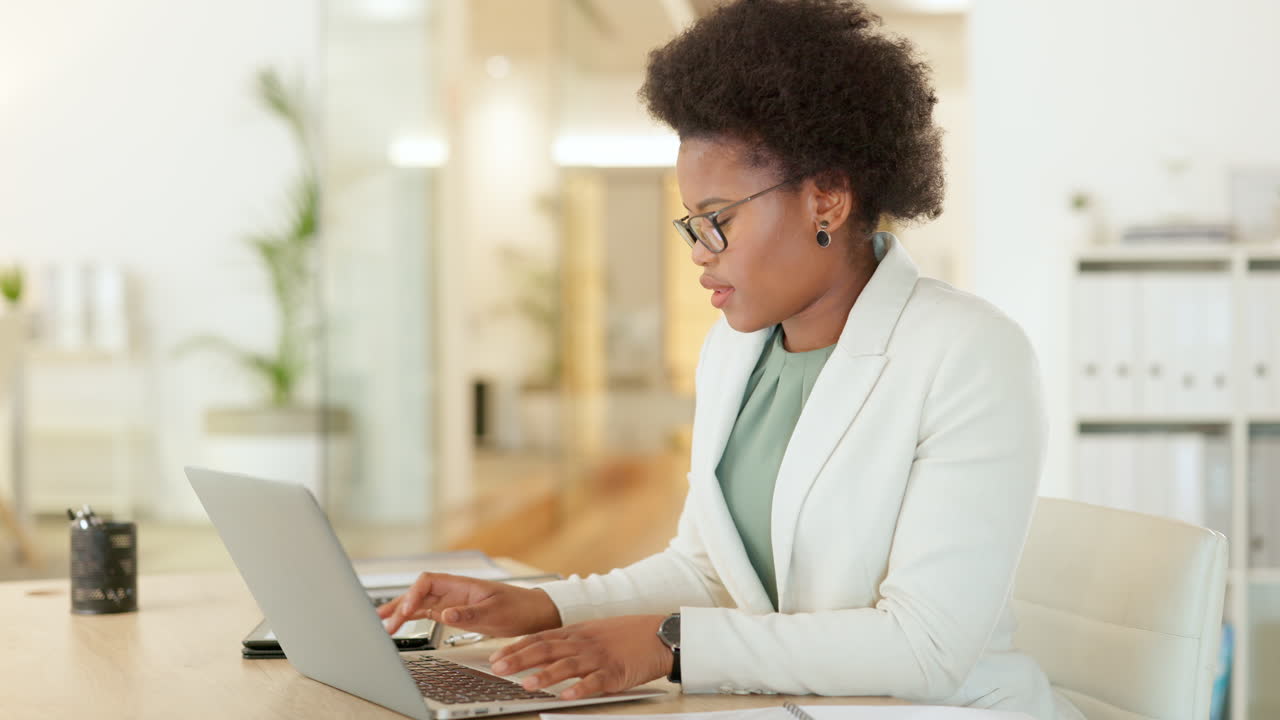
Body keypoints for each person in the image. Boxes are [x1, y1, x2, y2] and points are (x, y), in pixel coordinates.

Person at [380, 1, 1081, 717]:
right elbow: (710, 570)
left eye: (718, 221)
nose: (698, 253)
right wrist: (541, 605)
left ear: (827, 199)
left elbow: (925, 647)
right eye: (693, 224)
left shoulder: (967, 354)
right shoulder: (737, 348)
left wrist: (671, 646)